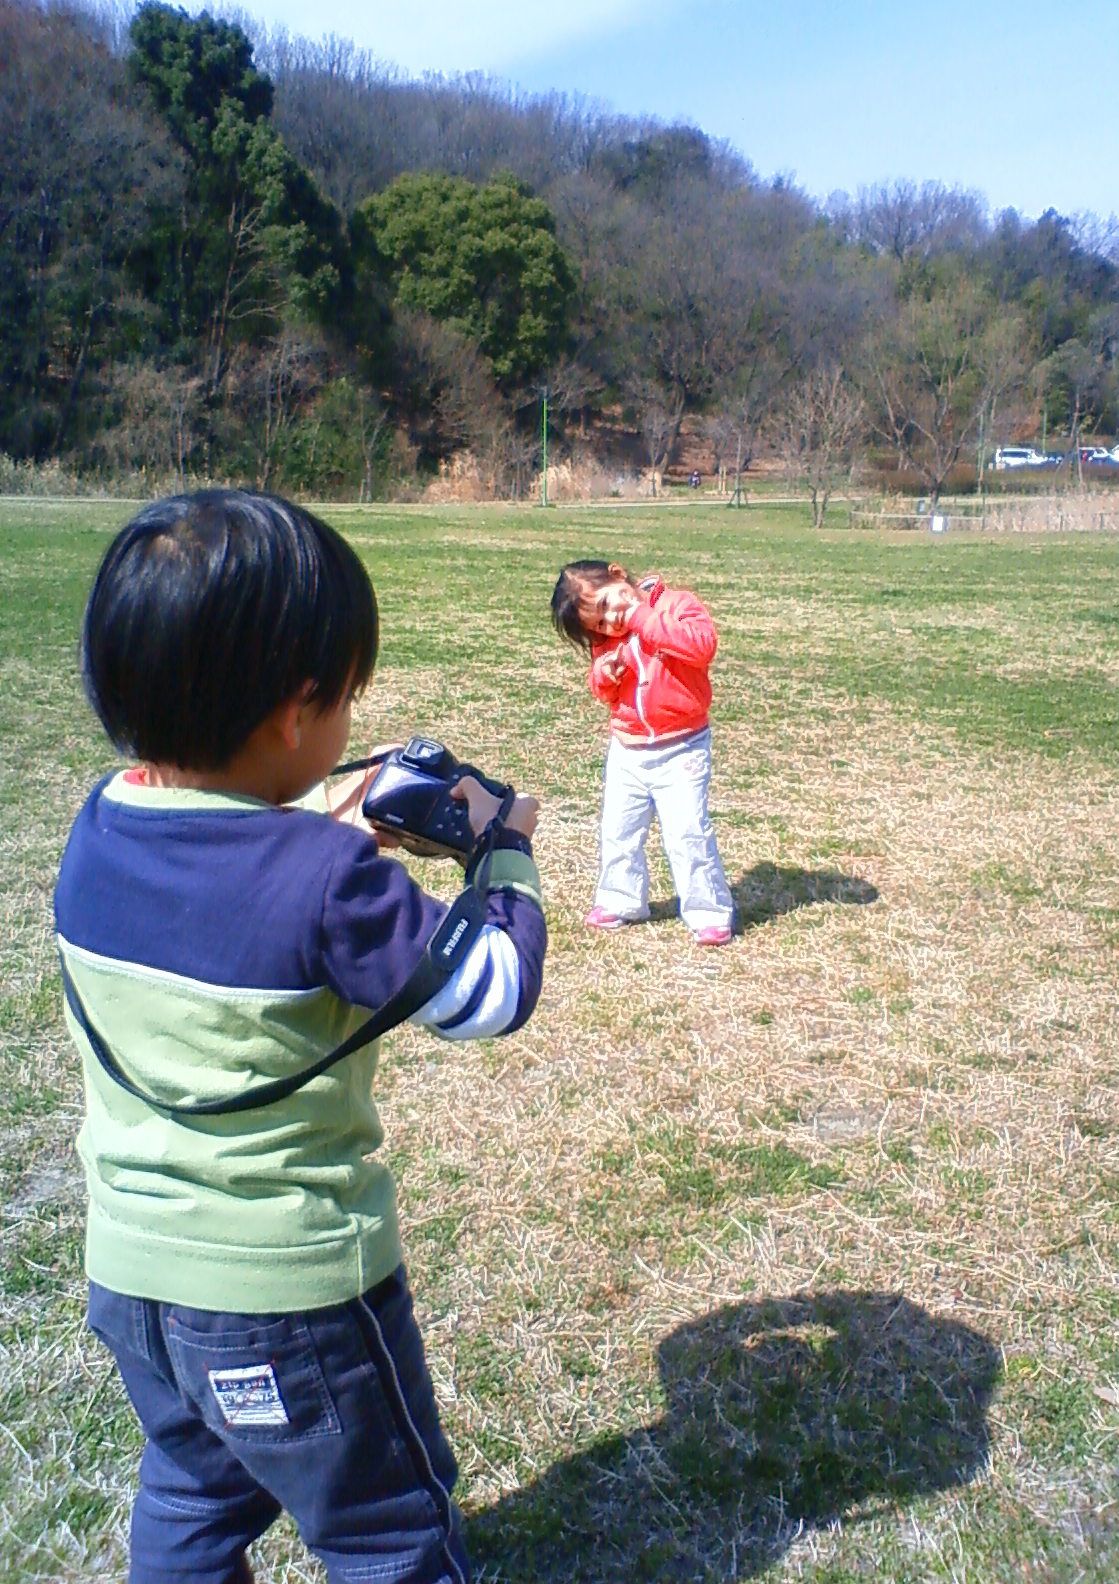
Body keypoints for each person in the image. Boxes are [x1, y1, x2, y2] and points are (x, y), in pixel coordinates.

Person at [54, 489, 546, 1584]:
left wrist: (329, 807)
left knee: (191, 1490)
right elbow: (491, 989)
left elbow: (217, 861)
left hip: (134, 1287)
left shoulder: (97, 826)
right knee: (387, 1531)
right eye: (344, 700)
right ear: (296, 712)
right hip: (290, 1304)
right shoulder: (329, 880)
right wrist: (502, 855)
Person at [550, 558, 735, 946]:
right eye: (598, 624)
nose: (611, 621)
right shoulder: (607, 641)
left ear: (619, 575)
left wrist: (642, 618)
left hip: (682, 745)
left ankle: (708, 911)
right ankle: (621, 899)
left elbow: (702, 646)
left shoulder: (676, 606)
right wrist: (605, 674)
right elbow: (601, 688)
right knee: (619, 830)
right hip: (628, 750)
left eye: (606, 605)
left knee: (687, 832)